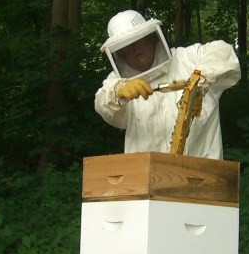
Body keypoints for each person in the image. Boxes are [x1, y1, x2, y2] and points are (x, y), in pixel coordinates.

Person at [94, 10, 241, 159]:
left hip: (203, 174)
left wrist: (200, 82)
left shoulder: (188, 59)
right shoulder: (118, 81)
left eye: (139, 40)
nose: (135, 48)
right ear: (120, 53)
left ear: (151, 37)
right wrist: (118, 91)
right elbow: (103, 104)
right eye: (126, 46)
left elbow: (224, 52)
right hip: (149, 177)